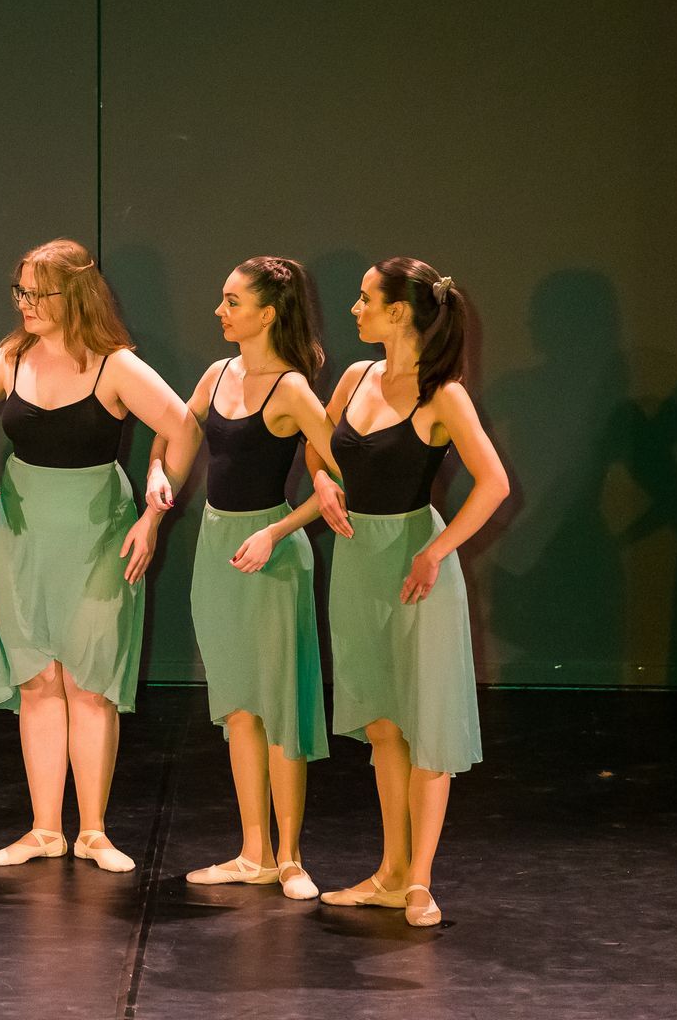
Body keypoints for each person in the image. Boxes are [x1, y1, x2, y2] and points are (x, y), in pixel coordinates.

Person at [0, 239, 194, 872]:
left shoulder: (115, 366)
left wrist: (157, 505)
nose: (25, 304)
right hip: (22, 530)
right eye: (19, 291)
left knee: (89, 681)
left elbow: (182, 428)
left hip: (99, 530)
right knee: (38, 681)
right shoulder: (11, 359)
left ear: (74, 294)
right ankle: (46, 828)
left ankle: (94, 831)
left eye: (37, 293)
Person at [309, 259, 509, 927]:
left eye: (366, 299)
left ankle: (419, 880)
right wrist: (322, 482)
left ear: (399, 311)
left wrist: (436, 549)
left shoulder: (442, 393)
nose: (355, 308)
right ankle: (390, 873)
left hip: (414, 568)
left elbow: (494, 483)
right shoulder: (354, 377)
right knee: (383, 725)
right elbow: (318, 449)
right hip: (358, 563)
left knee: (424, 724)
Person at [148, 257, 336, 900]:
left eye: (232, 302)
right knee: (238, 706)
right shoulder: (216, 373)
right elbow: (175, 431)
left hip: (271, 551)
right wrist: (157, 477)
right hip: (217, 549)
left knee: (280, 703)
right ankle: (252, 851)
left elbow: (342, 474)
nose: (220, 312)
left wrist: (279, 532)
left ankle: (290, 857)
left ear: (267, 312)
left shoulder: (291, 388)